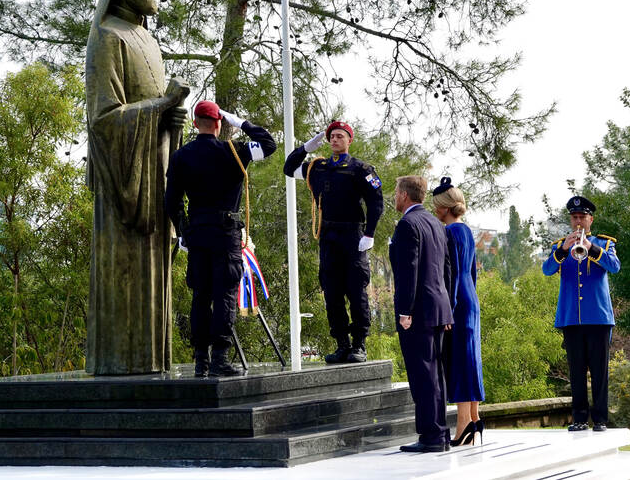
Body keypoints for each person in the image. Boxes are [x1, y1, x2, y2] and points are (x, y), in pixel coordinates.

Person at [85, 0, 190, 375]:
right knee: (126, 279)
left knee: (155, 278)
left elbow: (155, 106)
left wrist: (172, 117)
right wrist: (160, 107)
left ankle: (150, 364)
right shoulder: (107, 36)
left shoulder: (146, 37)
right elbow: (104, 119)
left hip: (155, 169)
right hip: (125, 183)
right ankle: (119, 365)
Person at [164, 101, 276, 376]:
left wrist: (183, 231)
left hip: (198, 234)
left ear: (194, 123)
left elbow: (172, 200)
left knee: (200, 296)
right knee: (225, 294)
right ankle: (220, 359)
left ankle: (201, 360)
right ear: (218, 124)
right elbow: (268, 143)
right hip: (226, 234)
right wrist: (239, 122)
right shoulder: (234, 151)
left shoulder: (181, 156)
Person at [283, 121, 383, 364]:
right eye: (331, 136)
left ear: (349, 140)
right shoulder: (319, 168)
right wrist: (307, 146)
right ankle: (342, 344)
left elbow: (375, 202)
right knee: (332, 292)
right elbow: (289, 168)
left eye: (340, 136)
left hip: (352, 236)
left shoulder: (360, 169)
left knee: (356, 290)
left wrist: (369, 234)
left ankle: (359, 344)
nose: (335, 140)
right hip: (329, 237)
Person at [542, 196, 620, 432]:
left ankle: (600, 420)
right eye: (574, 217)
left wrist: (591, 248)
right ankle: (578, 419)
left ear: (590, 220)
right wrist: (564, 250)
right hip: (571, 318)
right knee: (576, 371)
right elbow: (547, 270)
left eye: (582, 217)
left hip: (598, 317)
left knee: (599, 371)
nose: (578, 222)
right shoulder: (560, 246)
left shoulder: (604, 244)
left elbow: (615, 266)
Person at [390, 176, 454, 453]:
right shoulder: (435, 224)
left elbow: (409, 271)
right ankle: (440, 432)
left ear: (405, 195)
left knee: (423, 376)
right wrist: (448, 309)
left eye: (396, 192)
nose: (394, 197)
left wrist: (405, 311)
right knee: (435, 374)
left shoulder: (408, 224)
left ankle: (432, 436)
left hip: (418, 312)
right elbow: (447, 269)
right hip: (438, 309)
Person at [431, 177, 485, 446]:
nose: (434, 209)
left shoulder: (449, 233)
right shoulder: (466, 231)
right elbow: (471, 271)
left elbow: (449, 275)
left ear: (445, 208)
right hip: (470, 297)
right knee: (471, 359)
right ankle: (474, 419)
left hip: (458, 301)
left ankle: (463, 424)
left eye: (436, 205)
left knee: (462, 361)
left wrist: (449, 309)